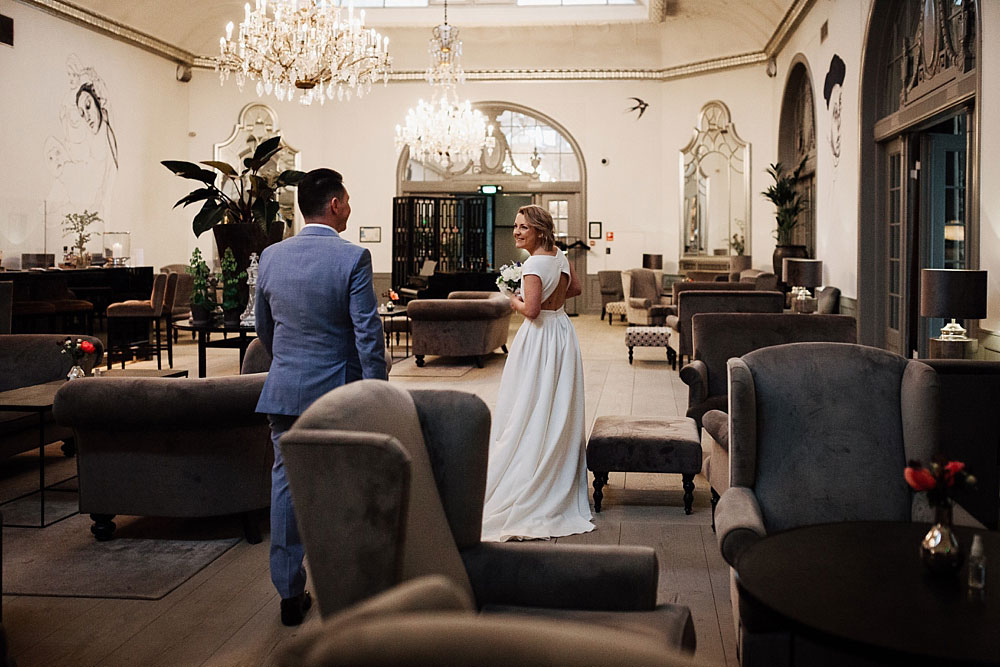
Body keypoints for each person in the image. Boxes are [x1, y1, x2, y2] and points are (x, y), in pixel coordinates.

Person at [255, 168, 388, 625]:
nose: (349, 208)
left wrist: (289, 364)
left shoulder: (271, 256)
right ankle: (350, 588)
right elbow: (367, 335)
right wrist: (377, 394)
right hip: (339, 394)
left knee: (285, 488)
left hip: (285, 391)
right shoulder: (352, 258)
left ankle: (290, 594)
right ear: (334, 205)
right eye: (347, 201)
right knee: (349, 484)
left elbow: (264, 330)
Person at [481, 205, 595, 542]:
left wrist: (511, 298)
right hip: (562, 333)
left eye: (523, 228)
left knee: (527, 402)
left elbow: (530, 312)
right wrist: (551, 299)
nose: (516, 233)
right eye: (515, 227)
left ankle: (528, 466)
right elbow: (574, 289)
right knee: (556, 401)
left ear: (540, 231)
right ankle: (554, 464)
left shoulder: (532, 264)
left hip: (539, 338)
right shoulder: (559, 255)